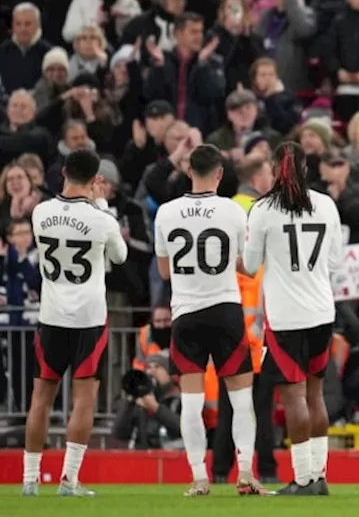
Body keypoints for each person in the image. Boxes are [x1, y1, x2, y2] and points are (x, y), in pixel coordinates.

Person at [153, 144, 262, 496]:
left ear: (189, 171)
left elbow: (165, 271)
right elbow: (246, 264)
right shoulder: (232, 210)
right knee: (242, 399)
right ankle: (245, 473)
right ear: (219, 174)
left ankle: (199, 477)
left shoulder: (166, 213)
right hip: (226, 310)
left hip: (186, 313)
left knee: (192, 402)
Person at [23, 149, 127, 497]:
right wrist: (100, 205)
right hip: (89, 319)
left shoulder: (40, 212)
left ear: (64, 172)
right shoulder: (101, 218)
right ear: (97, 178)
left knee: (41, 399)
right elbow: (120, 256)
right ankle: (69, 479)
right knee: (84, 400)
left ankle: (30, 480)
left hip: (51, 317)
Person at [243, 142, 345, 496]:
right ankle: (319, 476)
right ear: (307, 169)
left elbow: (251, 264)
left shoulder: (263, 209)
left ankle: (302, 478)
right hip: (321, 311)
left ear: (274, 169)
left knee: (294, 398)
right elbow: (335, 263)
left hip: (285, 318)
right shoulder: (326, 205)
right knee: (316, 396)